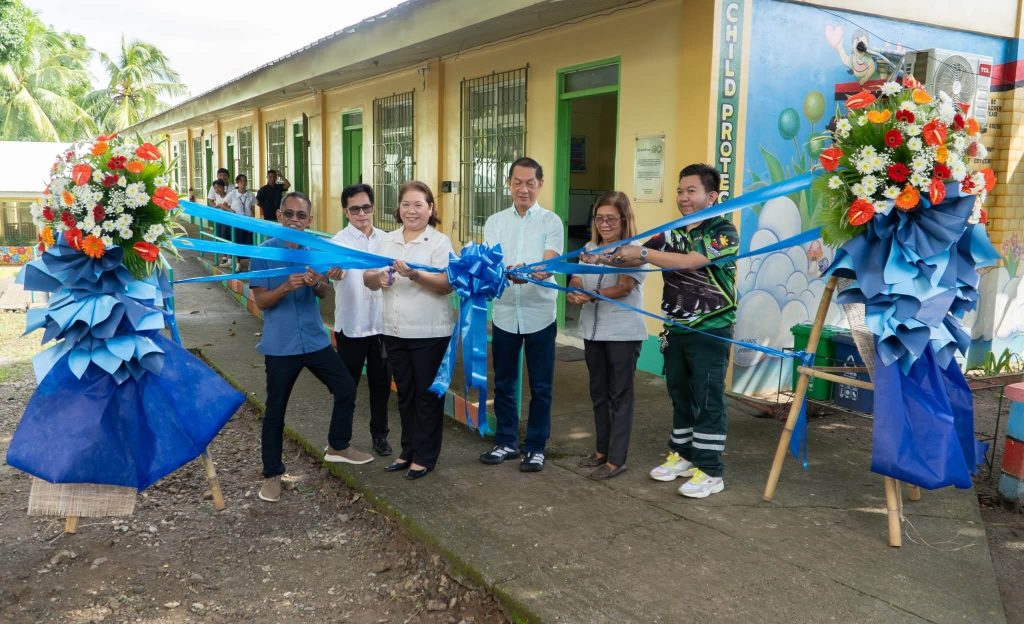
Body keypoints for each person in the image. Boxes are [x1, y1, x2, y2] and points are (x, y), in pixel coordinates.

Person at [592, 164, 738, 498]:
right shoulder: (670, 232)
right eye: (680, 190)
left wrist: (642, 252)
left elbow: (693, 261)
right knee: (680, 394)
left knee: (708, 397)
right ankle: (684, 456)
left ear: (711, 197)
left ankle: (711, 470)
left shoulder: (723, 229)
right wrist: (600, 257)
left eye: (691, 191)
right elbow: (637, 257)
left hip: (711, 329)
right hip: (676, 327)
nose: (683, 198)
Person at [250, 191, 373, 503]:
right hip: (280, 346)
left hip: (315, 340)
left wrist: (317, 281)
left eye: (300, 216)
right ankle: (272, 475)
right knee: (276, 410)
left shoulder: (314, 249)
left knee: (346, 388)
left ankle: (338, 445)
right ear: (278, 215)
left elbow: (323, 295)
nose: (294, 220)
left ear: (309, 220)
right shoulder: (262, 252)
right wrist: (285, 286)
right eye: (288, 214)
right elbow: (261, 301)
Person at [364, 181, 454, 480]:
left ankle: (425, 456)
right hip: (394, 329)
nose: (412, 210)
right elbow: (367, 277)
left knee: (427, 396)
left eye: (419, 205)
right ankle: (408, 450)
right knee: (404, 394)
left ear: (430, 209)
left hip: (430, 331)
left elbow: (446, 285)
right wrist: (381, 278)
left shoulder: (439, 243)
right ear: (398, 209)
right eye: (406, 204)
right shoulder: (386, 241)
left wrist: (415, 275)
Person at [480, 157, 564, 473]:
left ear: (540, 185)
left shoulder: (551, 222)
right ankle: (506, 441)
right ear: (509, 184)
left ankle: (536, 446)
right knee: (504, 381)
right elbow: (489, 265)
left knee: (541, 385)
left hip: (540, 312)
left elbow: (550, 263)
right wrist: (501, 272)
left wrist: (526, 273)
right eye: (517, 182)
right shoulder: (495, 222)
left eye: (530, 182)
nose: (523, 189)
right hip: (504, 313)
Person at [566, 192, 646, 480]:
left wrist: (592, 295)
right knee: (598, 392)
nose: (604, 224)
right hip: (593, 331)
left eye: (610, 219)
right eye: (599, 218)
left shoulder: (634, 250)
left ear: (623, 220)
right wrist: (575, 288)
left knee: (620, 395)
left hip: (623, 333)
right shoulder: (589, 247)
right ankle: (601, 450)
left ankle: (617, 459)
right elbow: (577, 275)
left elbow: (625, 285)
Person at [327, 184, 392, 457]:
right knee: (347, 388)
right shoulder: (336, 242)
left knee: (381, 386)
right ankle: (340, 441)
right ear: (346, 211)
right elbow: (332, 276)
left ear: (373, 208)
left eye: (366, 207)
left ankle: (380, 436)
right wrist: (333, 274)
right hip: (352, 326)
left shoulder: (388, 240)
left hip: (383, 325)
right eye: (355, 209)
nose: (361, 213)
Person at [224, 174, 256, 266]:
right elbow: (224, 205)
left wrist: (253, 221)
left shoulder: (250, 194)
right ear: (237, 183)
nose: (244, 183)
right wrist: (231, 211)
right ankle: (238, 264)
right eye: (241, 181)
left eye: (245, 181)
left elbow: (252, 210)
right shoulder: (233, 193)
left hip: (248, 222)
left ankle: (251, 263)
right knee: (237, 242)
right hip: (237, 222)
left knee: (249, 242)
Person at [208, 179, 232, 267]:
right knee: (220, 237)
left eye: (219, 187)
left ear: (223, 187)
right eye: (215, 188)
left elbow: (230, 209)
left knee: (227, 238)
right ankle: (225, 257)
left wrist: (221, 206)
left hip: (228, 221)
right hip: (219, 220)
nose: (217, 190)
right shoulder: (217, 197)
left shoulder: (229, 196)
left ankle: (230, 259)